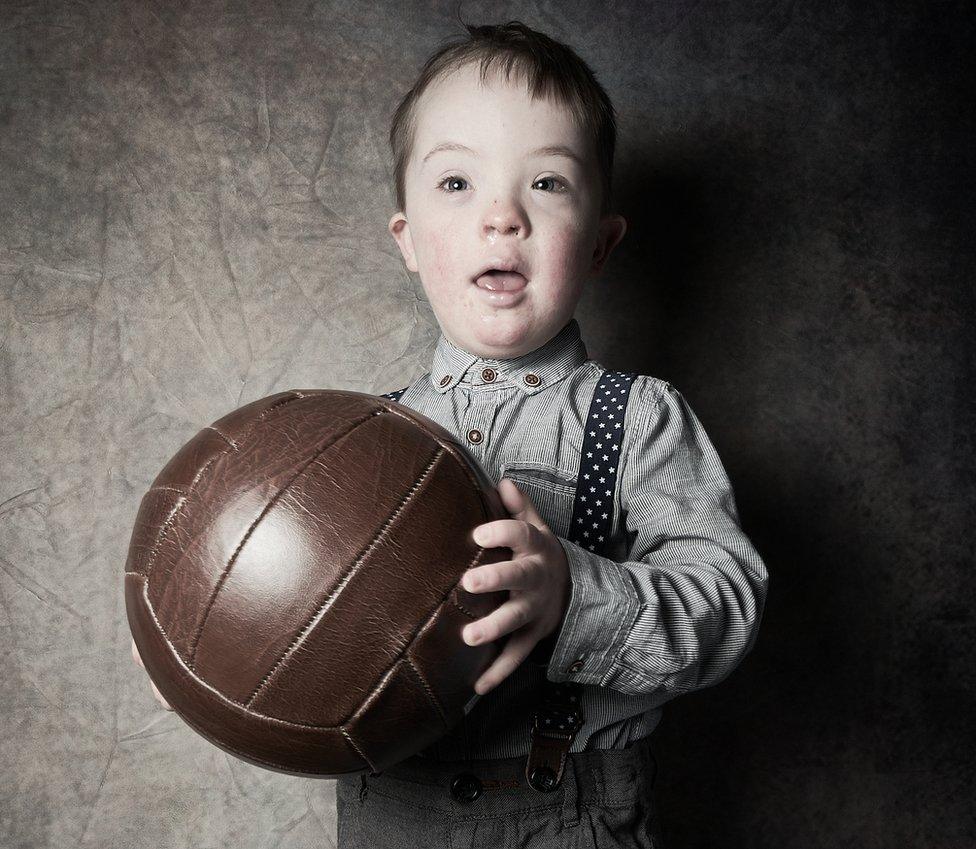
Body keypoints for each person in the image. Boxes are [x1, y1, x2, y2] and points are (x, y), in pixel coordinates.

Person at [133, 18, 769, 849]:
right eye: (457, 184)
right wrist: (208, 651)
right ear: (408, 241)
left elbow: (728, 602)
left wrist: (576, 594)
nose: (502, 216)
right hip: (392, 816)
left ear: (602, 246)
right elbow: (253, 615)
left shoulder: (640, 417)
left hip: (572, 814)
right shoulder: (349, 446)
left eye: (546, 183)